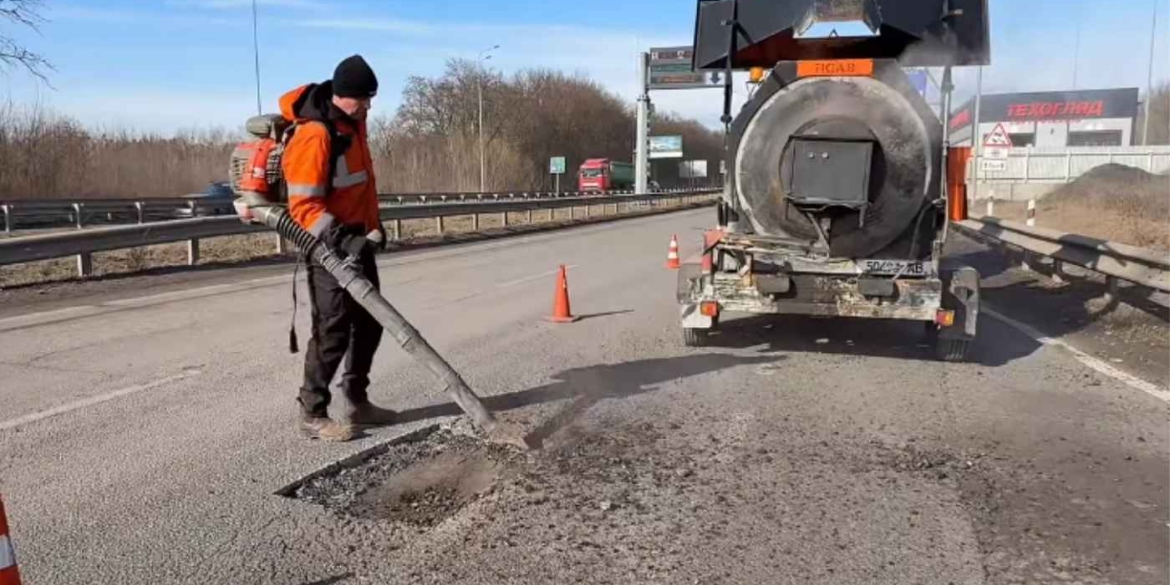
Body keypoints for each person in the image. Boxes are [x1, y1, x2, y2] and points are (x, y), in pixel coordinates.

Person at [279, 55, 399, 441]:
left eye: (371, 99)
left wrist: (373, 230)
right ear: (343, 96)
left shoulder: (355, 123)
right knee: (332, 331)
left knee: (369, 323)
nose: (369, 106)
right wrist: (344, 239)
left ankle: (356, 400)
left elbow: (360, 188)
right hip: (327, 250)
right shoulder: (316, 135)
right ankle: (312, 412)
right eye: (363, 99)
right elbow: (303, 207)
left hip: (357, 245)